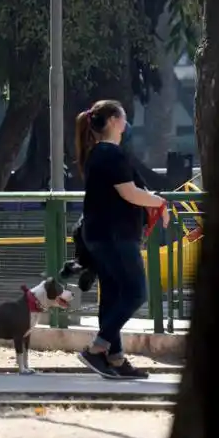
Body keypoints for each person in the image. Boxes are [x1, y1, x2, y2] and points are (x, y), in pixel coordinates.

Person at [74, 100, 168, 380]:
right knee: (136, 292)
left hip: (102, 234)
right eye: (124, 118)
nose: (127, 124)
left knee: (113, 295)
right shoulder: (109, 155)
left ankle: (115, 359)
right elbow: (130, 193)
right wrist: (159, 203)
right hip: (114, 235)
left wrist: (150, 200)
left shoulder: (100, 154)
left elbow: (132, 189)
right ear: (114, 120)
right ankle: (97, 348)